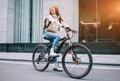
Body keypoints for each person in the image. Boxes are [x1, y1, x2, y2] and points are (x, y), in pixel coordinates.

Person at [43, 5, 69, 71]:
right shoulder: (50, 16)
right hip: (47, 33)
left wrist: (69, 28)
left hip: (53, 34)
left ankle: (56, 66)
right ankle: (51, 51)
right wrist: (62, 26)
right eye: (50, 8)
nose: (51, 8)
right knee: (58, 37)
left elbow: (63, 23)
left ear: (56, 10)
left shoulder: (58, 17)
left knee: (56, 50)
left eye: (53, 8)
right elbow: (55, 22)